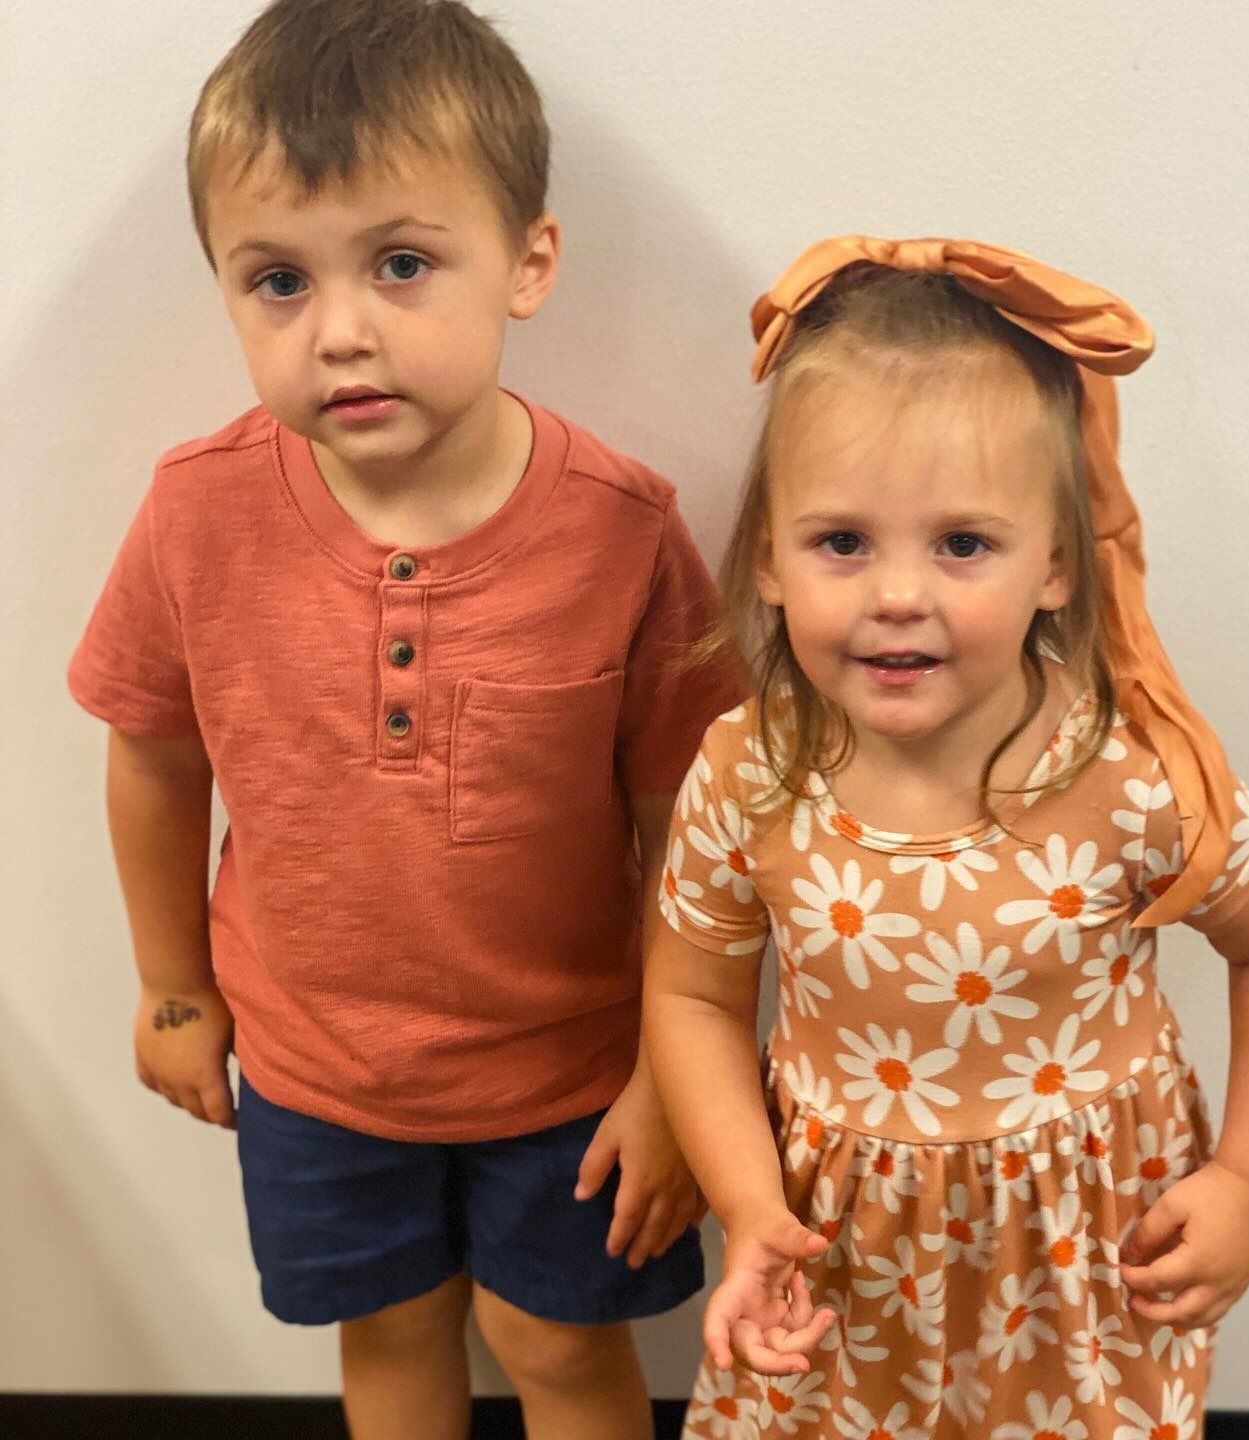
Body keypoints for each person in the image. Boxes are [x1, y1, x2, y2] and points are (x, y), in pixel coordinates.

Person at [67, 3, 738, 1437]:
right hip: (312, 1069)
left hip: (574, 1072)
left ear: (528, 263)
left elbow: (692, 821)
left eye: (403, 263)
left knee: (557, 1350)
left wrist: (684, 1074)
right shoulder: (199, 513)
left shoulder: (623, 534)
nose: (344, 332)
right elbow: (152, 748)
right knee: (387, 1336)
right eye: (277, 282)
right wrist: (172, 984)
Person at [644, 235, 1249, 1437]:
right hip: (841, 1262)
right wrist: (748, 1203)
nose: (898, 594)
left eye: (962, 544)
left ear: (1058, 564)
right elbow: (697, 1000)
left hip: (1081, 1264)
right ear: (769, 557)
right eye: (842, 542)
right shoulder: (745, 776)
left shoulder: (1134, 778)